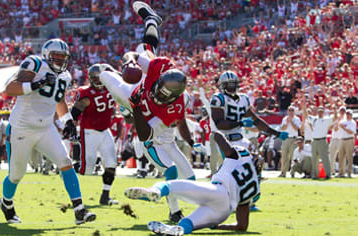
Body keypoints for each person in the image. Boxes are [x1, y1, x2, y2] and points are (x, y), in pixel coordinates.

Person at [99, 1, 197, 222]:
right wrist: (129, 64)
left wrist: (134, 107)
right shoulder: (157, 67)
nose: (161, 96)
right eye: (160, 91)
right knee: (108, 71)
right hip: (133, 90)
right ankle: (174, 212)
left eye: (166, 96)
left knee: (189, 178)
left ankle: (178, 205)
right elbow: (131, 54)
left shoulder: (175, 108)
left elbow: (144, 135)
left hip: (150, 131)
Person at [0, 38, 95, 224]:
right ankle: (6, 203)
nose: (60, 60)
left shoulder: (65, 76)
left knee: (65, 162)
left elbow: (58, 101)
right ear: (46, 55)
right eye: (56, 56)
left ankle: (79, 210)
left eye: (63, 57)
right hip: (22, 127)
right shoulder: (34, 64)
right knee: (16, 175)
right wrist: (37, 83)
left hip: (45, 128)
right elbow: (10, 89)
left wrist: (68, 121)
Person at [124, 129, 262, 235]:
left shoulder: (243, 154)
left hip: (217, 192)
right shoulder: (255, 187)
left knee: (173, 185)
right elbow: (242, 226)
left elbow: (221, 141)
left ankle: (155, 191)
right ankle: (176, 229)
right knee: (187, 224)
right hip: (224, 212)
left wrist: (220, 135)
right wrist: (218, 225)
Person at [209, 71, 288, 172]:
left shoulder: (243, 99)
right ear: (223, 85)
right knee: (231, 170)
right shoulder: (218, 99)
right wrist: (240, 123)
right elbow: (219, 124)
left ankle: (254, 186)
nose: (232, 87)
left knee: (257, 162)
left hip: (240, 139)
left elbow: (256, 121)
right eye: (230, 84)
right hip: (225, 140)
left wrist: (276, 133)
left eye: (234, 84)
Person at [70, 63, 119, 206]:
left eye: (99, 78)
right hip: (89, 131)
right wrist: (71, 125)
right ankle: (67, 168)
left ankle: (105, 196)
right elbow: (76, 110)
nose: (97, 81)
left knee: (111, 164)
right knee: (87, 170)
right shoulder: (86, 93)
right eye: (94, 79)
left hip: (105, 131)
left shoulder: (112, 88)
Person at [303, 105, 337, 180]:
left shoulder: (326, 120)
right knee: (314, 159)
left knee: (325, 158)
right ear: (317, 112)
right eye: (319, 111)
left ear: (323, 112)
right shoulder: (314, 119)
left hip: (322, 140)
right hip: (314, 140)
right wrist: (304, 106)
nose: (320, 113)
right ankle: (315, 175)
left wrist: (335, 111)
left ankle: (328, 174)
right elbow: (306, 115)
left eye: (321, 112)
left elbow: (335, 118)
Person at [279, 106, 301, 177]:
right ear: (288, 111)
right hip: (286, 138)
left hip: (294, 139)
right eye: (289, 110)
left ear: (294, 111)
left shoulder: (297, 119)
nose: (291, 112)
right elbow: (282, 128)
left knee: (293, 156)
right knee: (284, 156)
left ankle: (292, 172)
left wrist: (291, 122)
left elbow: (297, 129)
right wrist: (287, 122)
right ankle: (283, 172)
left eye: (292, 110)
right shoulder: (285, 119)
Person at [337, 109, 356, 178]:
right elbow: (338, 128)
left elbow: (351, 132)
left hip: (349, 139)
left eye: (349, 114)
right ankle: (341, 172)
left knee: (349, 157)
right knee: (341, 156)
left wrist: (344, 128)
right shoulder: (342, 121)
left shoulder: (352, 122)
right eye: (347, 114)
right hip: (342, 139)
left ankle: (349, 172)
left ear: (351, 115)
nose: (348, 115)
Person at [329, 106, 346, 176]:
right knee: (331, 156)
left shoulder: (345, 120)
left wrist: (338, 123)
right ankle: (332, 171)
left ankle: (341, 172)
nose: (342, 112)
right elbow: (330, 128)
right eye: (341, 110)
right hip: (333, 138)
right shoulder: (334, 118)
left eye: (343, 111)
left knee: (341, 156)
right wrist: (335, 124)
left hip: (341, 139)